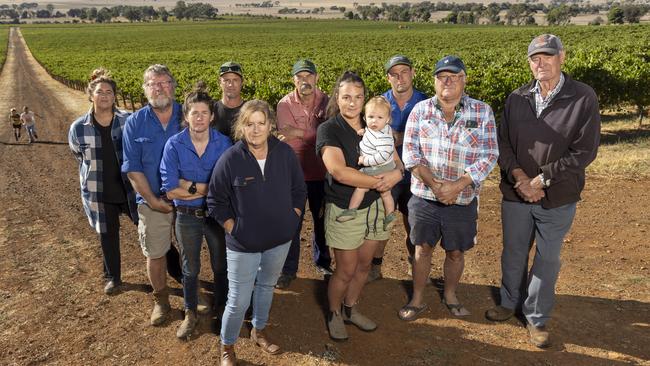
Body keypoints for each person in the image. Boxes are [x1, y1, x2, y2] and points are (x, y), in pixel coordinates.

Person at [485, 34, 601, 348]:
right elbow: (504, 145)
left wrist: (541, 181)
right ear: (529, 62)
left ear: (562, 57)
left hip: (558, 196)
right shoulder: (517, 97)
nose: (541, 63)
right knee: (513, 253)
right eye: (535, 57)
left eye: (548, 56)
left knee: (547, 259)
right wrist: (520, 178)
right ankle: (509, 303)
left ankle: (536, 319)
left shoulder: (583, 97)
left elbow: (585, 152)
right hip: (516, 193)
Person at [399, 55, 499, 321]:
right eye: (442, 76)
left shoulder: (482, 111)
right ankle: (417, 299)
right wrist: (434, 184)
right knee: (421, 249)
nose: (447, 81)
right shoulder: (419, 111)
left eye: (454, 76)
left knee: (455, 251)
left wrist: (457, 186)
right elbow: (410, 153)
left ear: (463, 80)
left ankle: (451, 295)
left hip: (462, 199)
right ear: (434, 81)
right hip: (423, 197)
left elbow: (489, 155)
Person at [207, 100, 306, 366]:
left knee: (266, 287)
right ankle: (227, 347)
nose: (256, 129)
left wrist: (291, 219)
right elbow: (215, 200)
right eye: (249, 124)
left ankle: (258, 330)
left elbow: (299, 190)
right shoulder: (230, 159)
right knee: (238, 299)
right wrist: (234, 228)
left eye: (261, 123)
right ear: (241, 127)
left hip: (279, 241)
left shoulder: (285, 153)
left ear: (270, 125)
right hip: (243, 244)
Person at [315, 71, 403, 341]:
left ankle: (351, 309)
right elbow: (339, 172)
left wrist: (397, 175)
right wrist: (380, 181)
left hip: (375, 208)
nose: (352, 103)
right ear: (337, 99)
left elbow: (398, 163)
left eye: (358, 97)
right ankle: (334, 313)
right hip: (345, 208)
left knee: (365, 266)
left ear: (365, 99)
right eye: (346, 97)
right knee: (346, 269)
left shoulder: (377, 124)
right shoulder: (329, 129)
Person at [160, 82, 232, 339]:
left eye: (204, 112)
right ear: (186, 116)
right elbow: (169, 189)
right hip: (186, 217)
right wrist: (207, 187)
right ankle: (190, 313)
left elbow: (226, 186)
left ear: (212, 116)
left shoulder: (224, 144)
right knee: (190, 269)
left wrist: (187, 185)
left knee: (221, 266)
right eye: (194, 112)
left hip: (215, 216)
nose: (199, 117)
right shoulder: (173, 145)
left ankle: (222, 309)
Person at [122, 64, 184, 326]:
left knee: (192, 251)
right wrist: (152, 201)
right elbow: (133, 169)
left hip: (188, 198)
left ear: (173, 85)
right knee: (155, 253)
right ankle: (161, 300)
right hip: (151, 199)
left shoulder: (188, 114)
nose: (158, 88)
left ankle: (192, 295)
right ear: (145, 89)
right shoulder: (134, 123)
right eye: (152, 84)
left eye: (164, 82)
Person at [68, 68, 138, 295]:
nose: (105, 95)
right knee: (108, 235)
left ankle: (176, 272)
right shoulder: (78, 128)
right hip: (100, 191)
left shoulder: (128, 120)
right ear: (91, 95)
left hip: (131, 189)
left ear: (114, 96)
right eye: (100, 92)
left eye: (109, 91)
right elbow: (78, 155)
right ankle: (113, 278)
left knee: (149, 230)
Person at [368, 55, 428, 282]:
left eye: (404, 72)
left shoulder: (426, 102)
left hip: (417, 176)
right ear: (388, 78)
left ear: (412, 73)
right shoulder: (380, 103)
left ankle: (416, 265)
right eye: (394, 73)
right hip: (387, 174)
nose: (400, 77)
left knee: (414, 223)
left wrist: (400, 136)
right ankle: (376, 266)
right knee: (383, 220)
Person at [275, 59, 332, 289]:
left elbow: (328, 134)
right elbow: (286, 133)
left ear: (316, 78)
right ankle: (288, 269)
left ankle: (323, 263)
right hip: (294, 175)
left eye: (309, 76)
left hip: (322, 172)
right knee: (292, 223)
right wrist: (317, 133)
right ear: (294, 80)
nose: (304, 80)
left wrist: (298, 132)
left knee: (322, 221)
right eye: (300, 77)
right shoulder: (284, 104)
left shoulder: (328, 101)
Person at [335, 96, 397, 231]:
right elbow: (371, 135)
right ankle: (390, 214)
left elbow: (382, 156)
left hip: (379, 166)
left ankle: (351, 210)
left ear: (387, 120)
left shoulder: (385, 137)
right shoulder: (375, 129)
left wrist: (365, 161)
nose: (374, 121)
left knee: (360, 187)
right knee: (386, 193)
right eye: (371, 117)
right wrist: (365, 132)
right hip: (382, 165)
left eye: (380, 118)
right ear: (365, 118)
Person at [212, 61, 245, 140]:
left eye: (235, 80)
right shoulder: (211, 111)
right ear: (219, 83)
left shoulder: (251, 110)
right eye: (226, 80)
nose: (231, 84)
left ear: (242, 82)